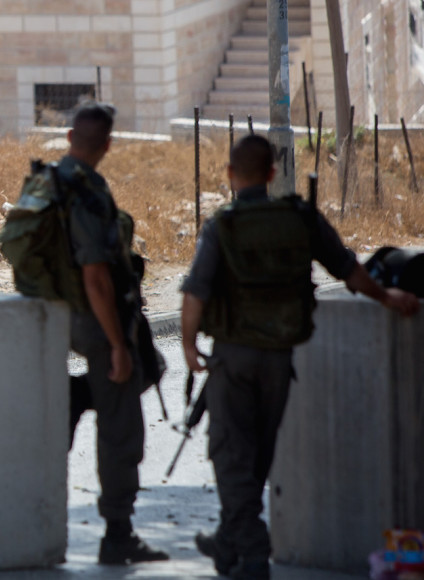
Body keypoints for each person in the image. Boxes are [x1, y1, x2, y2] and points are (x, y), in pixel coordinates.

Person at [181, 134, 420, 580]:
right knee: (258, 454)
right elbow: (349, 270)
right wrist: (387, 296)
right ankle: (229, 541)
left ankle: (252, 552)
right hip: (279, 357)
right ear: (272, 174)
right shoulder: (300, 217)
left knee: (232, 454)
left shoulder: (222, 225)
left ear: (231, 175)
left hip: (233, 356)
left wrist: (189, 345)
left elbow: (195, 292)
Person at [62, 102, 169, 565]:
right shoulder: (87, 192)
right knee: (122, 426)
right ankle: (118, 534)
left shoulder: (47, 183)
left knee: (149, 369)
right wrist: (118, 344)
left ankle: (80, 394)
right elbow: (96, 276)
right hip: (95, 320)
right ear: (108, 144)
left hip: (57, 316)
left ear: (69, 138)